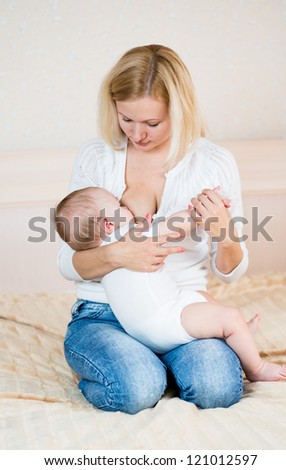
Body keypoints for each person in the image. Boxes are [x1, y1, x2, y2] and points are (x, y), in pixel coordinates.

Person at [57, 44, 256, 414]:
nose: (137, 134)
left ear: (180, 112)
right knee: (136, 389)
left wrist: (224, 231)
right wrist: (118, 254)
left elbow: (230, 273)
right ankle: (142, 367)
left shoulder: (213, 163)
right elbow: (68, 262)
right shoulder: (96, 157)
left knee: (217, 390)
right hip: (105, 313)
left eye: (152, 123)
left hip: (181, 309)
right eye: (126, 119)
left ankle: (152, 360)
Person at [55, 186, 286, 382]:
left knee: (203, 298)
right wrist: (197, 213)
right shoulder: (127, 238)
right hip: (163, 321)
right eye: (119, 206)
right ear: (108, 224)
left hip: (159, 312)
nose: (125, 207)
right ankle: (256, 368)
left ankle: (237, 336)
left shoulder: (104, 248)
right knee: (231, 317)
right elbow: (172, 226)